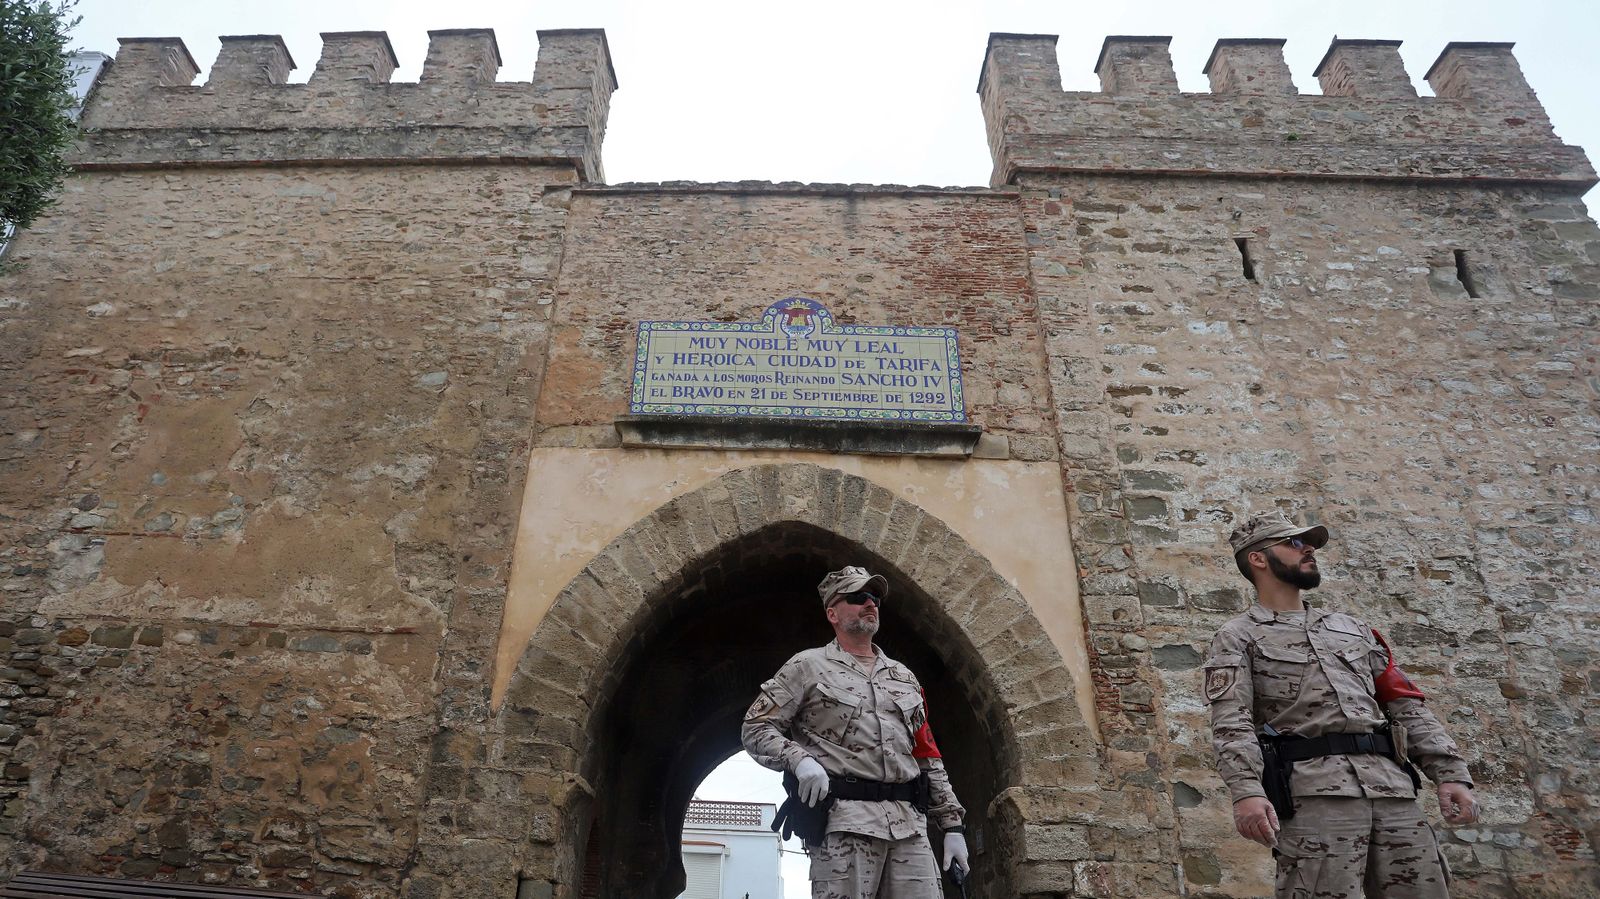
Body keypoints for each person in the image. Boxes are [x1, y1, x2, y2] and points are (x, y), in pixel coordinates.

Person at [1204, 510, 1480, 898]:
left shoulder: (1354, 629)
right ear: (1258, 558)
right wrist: (1247, 791)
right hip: (1314, 800)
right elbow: (1231, 721)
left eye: (1309, 542)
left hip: (1393, 794)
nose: (1309, 548)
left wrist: (1450, 773)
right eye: (1295, 543)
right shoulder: (1237, 636)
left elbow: (1406, 706)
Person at [741, 565, 968, 898]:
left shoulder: (903, 677)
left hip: (909, 829)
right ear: (833, 612)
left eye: (874, 597)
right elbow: (756, 726)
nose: (870, 603)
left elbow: (925, 754)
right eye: (858, 597)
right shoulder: (807, 666)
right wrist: (801, 761)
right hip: (844, 825)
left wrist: (952, 825)